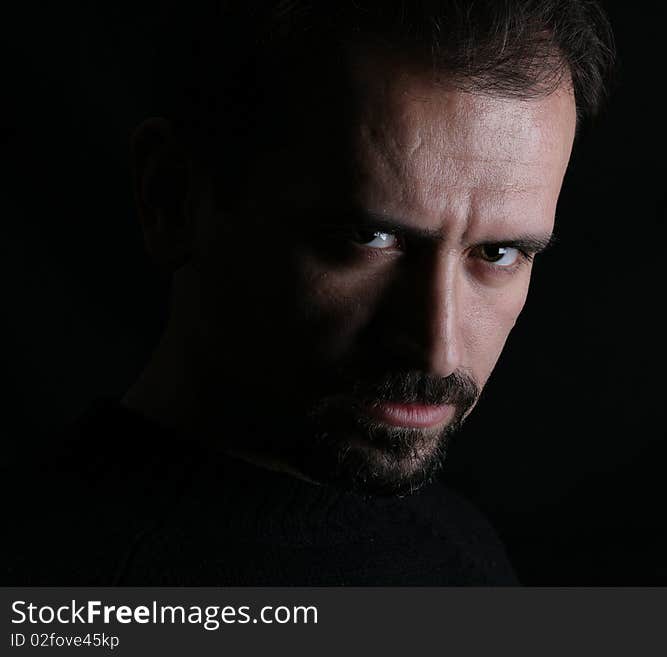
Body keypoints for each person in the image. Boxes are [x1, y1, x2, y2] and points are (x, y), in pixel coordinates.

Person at [4, 0, 613, 584]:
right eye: (367, 236)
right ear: (172, 200)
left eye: (498, 253)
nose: (438, 350)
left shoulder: (459, 544)